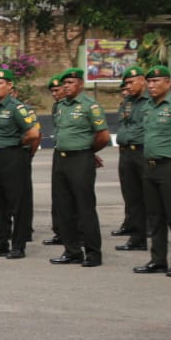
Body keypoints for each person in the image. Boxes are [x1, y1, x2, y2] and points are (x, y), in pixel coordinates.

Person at [132, 65, 171, 277]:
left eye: (156, 82)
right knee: (154, 217)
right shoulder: (148, 106)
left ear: (167, 83)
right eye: (149, 82)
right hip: (150, 168)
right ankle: (158, 260)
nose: (151, 86)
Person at [0, 67, 40, 259]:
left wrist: (14, 143)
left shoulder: (17, 107)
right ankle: (0, 242)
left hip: (12, 157)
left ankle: (18, 245)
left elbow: (33, 134)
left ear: (10, 85)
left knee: (17, 203)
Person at [49, 67, 109, 267]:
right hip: (60, 158)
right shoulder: (60, 106)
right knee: (63, 207)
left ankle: (93, 253)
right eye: (64, 83)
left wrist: (87, 152)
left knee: (85, 207)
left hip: (80, 159)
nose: (66, 87)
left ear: (80, 84)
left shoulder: (90, 106)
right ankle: (72, 250)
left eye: (70, 83)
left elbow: (103, 136)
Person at [111, 65, 150, 252]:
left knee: (150, 197)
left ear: (142, 80)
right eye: (126, 83)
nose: (128, 86)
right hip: (127, 153)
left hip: (144, 152)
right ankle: (137, 238)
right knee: (132, 197)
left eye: (132, 82)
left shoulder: (151, 101)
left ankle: (155, 235)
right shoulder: (128, 102)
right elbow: (124, 127)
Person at [42, 75, 67, 247]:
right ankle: (59, 231)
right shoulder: (56, 107)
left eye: (57, 90)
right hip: (59, 152)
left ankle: (76, 232)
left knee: (74, 197)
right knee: (58, 196)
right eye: (52, 91)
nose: (55, 94)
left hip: (75, 155)